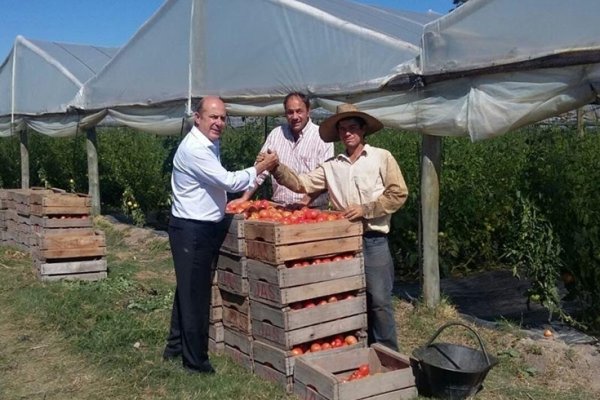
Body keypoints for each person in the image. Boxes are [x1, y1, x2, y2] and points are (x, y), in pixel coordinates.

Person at [271, 103, 408, 350]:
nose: (347, 133)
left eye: (352, 127)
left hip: (373, 238)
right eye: (342, 129)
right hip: (341, 241)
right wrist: (277, 168)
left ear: (363, 129)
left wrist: (367, 209)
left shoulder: (381, 157)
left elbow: (398, 193)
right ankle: (357, 348)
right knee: (349, 298)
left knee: (379, 299)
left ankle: (388, 353)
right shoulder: (331, 166)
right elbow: (302, 184)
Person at [163, 96, 278, 373]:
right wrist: (260, 168)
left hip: (200, 226)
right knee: (196, 297)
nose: (219, 122)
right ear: (198, 118)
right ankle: (195, 363)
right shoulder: (195, 149)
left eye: (223, 117)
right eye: (213, 117)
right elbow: (227, 180)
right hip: (192, 229)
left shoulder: (208, 142)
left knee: (188, 291)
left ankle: (175, 347)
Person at [229, 92, 333, 209]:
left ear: (308, 111)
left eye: (299, 111)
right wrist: (244, 198)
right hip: (280, 207)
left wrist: (304, 202)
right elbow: (260, 170)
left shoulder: (322, 136)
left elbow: (325, 177)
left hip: (312, 209)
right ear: (285, 113)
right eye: (290, 112)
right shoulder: (276, 134)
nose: (295, 117)